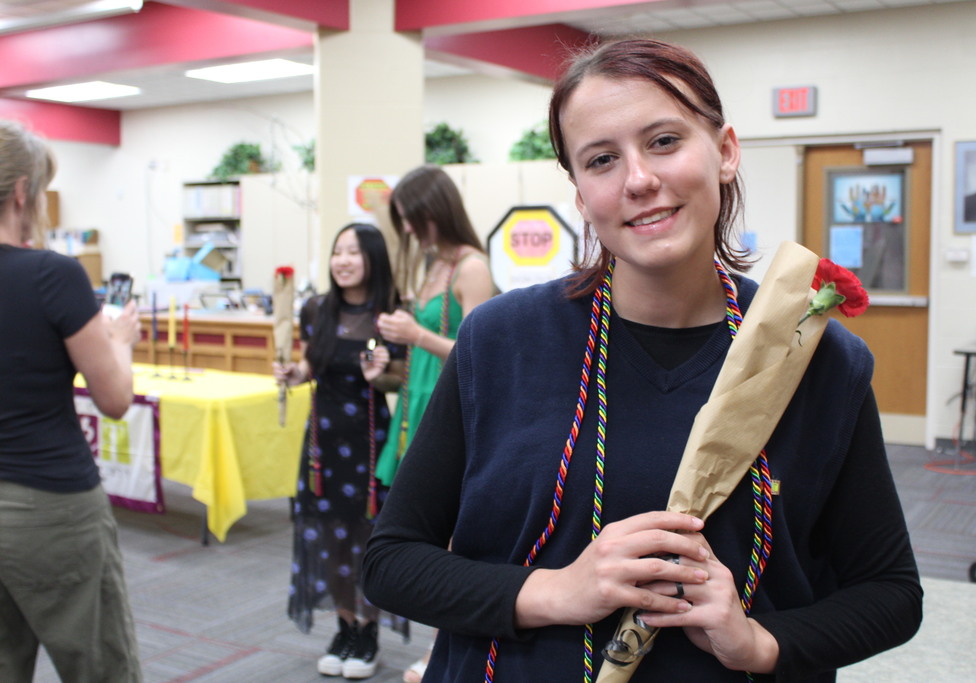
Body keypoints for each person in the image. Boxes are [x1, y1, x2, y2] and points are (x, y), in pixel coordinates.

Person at [363, 38, 923, 683]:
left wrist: (759, 643)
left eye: (663, 141)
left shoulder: (812, 356)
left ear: (725, 151)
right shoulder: (500, 341)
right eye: (601, 159)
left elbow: (890, 593)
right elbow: (392, 561)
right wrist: (555, 591)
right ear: (581, 196)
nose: (638, 180)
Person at [0, 120, 143, 681]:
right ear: (22, 192)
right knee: (100, 667)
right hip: (48, 506)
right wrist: (119, 341)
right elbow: (114, 398)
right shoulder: (52, 276)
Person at [373, 165, 495, 682]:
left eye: (411, 217)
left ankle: (444, 646)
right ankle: (438, 644)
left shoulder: (471, 267)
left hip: (448, 407)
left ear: (433, 211)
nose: (407, 229)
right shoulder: (433, 266)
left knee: (449, 537)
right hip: (416, 401)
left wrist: (416, 335)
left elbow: (480, 352)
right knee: (420, 530)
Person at [275, 223, 405, 679]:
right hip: (322, 445)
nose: (343, 261)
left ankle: (369, 631)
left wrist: (383, 373)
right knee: (330, 536)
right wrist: (294, 374)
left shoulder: (391, 314)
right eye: (337, 252)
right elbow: (311, 363)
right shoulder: (316, 309)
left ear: (373, 259)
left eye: (353, 252)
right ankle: (345, 627)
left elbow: (403, 379)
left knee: (368, 538)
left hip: (371, 442)